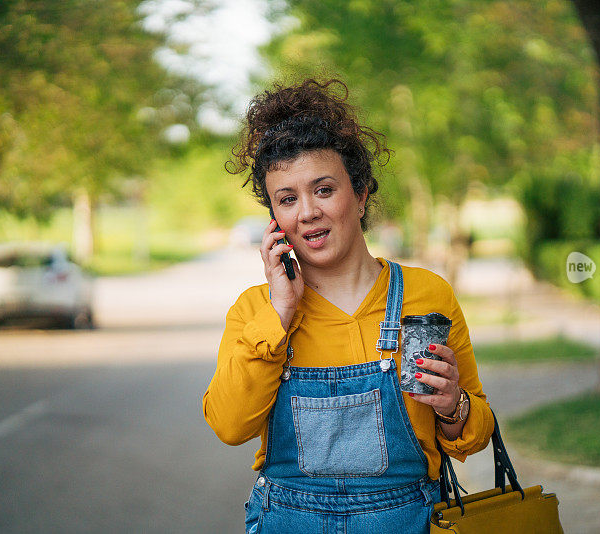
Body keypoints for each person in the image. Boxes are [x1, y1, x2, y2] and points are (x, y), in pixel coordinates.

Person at [202, 78, 494, 534]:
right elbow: (229, 425)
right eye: (287, 199)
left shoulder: (427, 294)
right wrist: (279, 314)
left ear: (359, 196)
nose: (307, 213)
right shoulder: (256, 310)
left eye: (323, 190)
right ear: (275, 221)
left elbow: (472, 435)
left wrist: (452, 405)